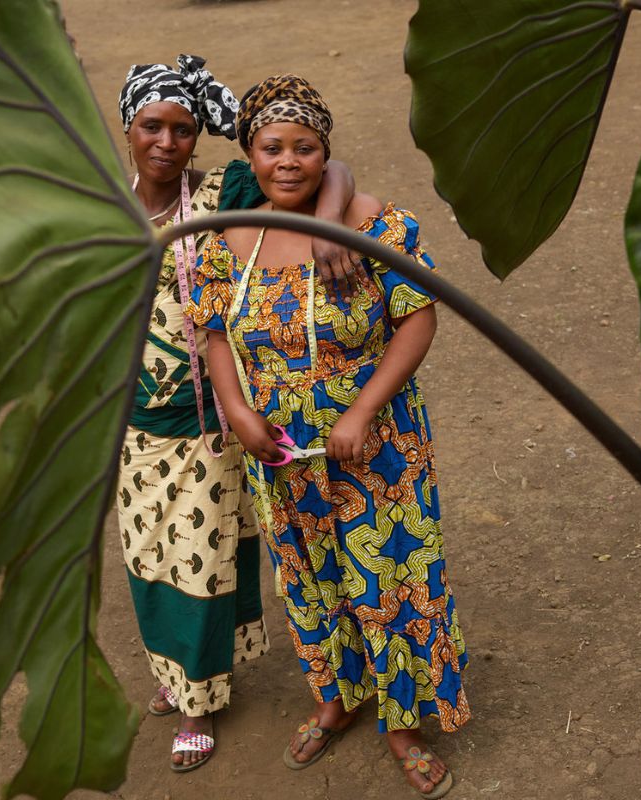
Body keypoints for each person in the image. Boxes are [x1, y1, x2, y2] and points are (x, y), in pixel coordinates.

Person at [186, 74, 468, 799]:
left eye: (304, 148)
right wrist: (239, 413)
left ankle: (404, 725)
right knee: (310, 578)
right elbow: (214, 331)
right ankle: (337, 697)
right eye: (272, 147)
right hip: (278, 453)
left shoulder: (375, 225)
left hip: (377, 446)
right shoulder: (230, 238)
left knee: (391, 578)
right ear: (251, 155)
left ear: (325, 153)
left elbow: (417, 317)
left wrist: (362, 412)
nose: (288, 162)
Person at [115, 55, 358, 773]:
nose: (166, 142)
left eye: (183, 129)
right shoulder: (100, 209)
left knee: (202, 562)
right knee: (146, 557)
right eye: (152, 126)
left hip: (208, 419)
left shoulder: (223, 191)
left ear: (198, 138)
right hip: (131, 423)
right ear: (127, 127)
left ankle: (197, 702)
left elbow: (328, 171)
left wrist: (331, 224)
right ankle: (181, 670)